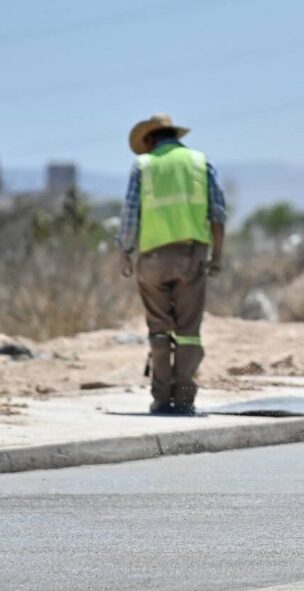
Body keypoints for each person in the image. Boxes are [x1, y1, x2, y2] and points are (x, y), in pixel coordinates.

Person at [116, 113, 227, 415]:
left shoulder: (144, 166)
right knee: (189, 330)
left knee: (159, 329)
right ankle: (185, 399)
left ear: (150, 139)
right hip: (192, 256)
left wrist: (124, 251)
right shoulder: (200, 163)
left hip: (152, 259)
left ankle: (161, 398)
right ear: (174, 135)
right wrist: (217, 255)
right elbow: (218, 212)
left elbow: (130, 213)